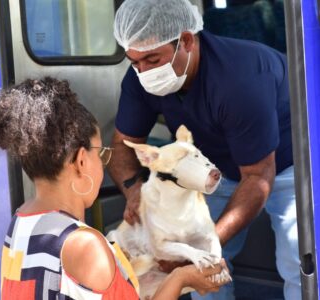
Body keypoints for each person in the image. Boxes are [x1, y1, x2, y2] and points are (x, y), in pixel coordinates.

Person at [107, 0, 300, 299]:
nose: (143, 72)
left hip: (286, 163)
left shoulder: (240, 79)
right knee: (203, 278)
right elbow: (121, 145)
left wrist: (201, 246)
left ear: (186, 40)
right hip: (215, 168)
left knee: (301, 264)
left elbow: (258, 178)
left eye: (153, 60)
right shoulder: (140, 78)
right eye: (134, 62)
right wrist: (135, 192)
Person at [0, 77, 228, 299]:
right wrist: (180, 278)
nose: (103, 164)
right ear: (82, 161)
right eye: (102, 154)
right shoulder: (85, 246)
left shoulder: (21, 220)